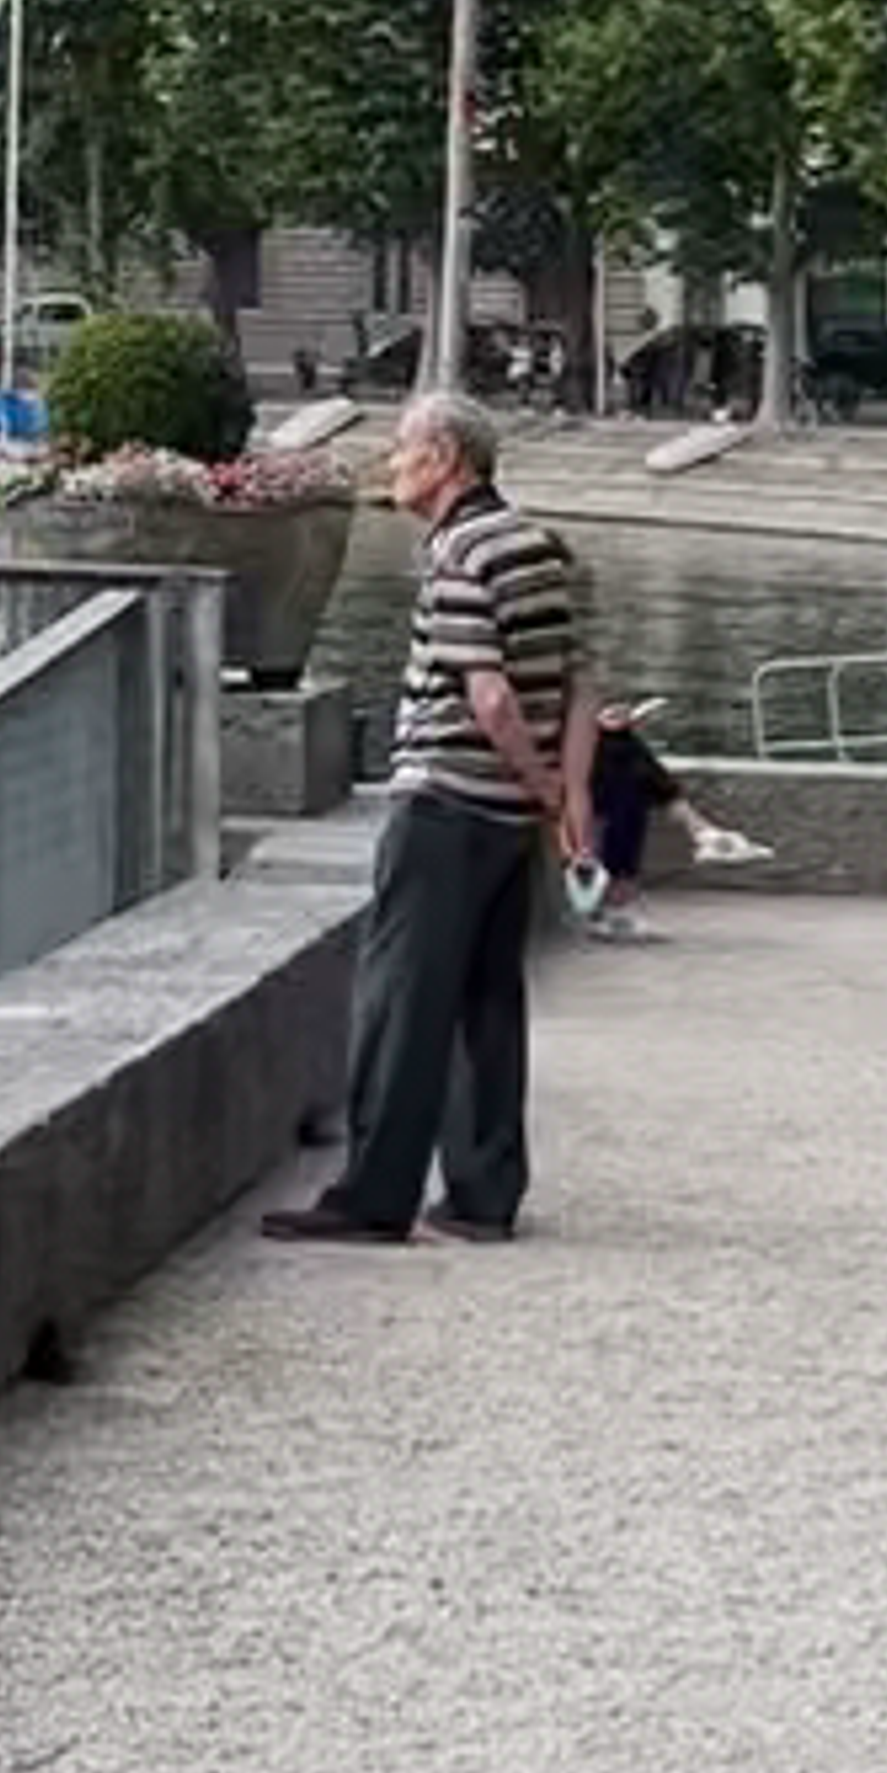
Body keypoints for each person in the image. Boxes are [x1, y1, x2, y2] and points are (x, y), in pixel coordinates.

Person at [269, 391, 587, 1247]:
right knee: (489, 1003)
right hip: (507, 819)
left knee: (400, 1003)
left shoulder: (457, 552)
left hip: (445, 799)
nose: (392, 462)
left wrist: (540, 779)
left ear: (445, 455)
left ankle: (373, 1196)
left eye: (403, 447)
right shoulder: (537, 545)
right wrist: (560, 793)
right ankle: (484, 1194)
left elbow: (490, 697)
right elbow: (576, 683)